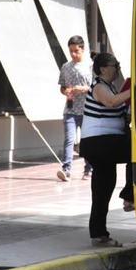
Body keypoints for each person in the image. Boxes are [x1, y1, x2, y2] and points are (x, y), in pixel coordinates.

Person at [79, 53, 134, 247]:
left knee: (103, 189)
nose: (117, 68)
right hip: (99, 142)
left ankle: (99, 233)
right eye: (114, 65)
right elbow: (112, 102)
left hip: (104, 143)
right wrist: (135, 87)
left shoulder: (110, 87)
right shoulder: (100, 87)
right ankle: (129, 196)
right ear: (102, 69)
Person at [56, 35, 94, 181]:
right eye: (71, 51)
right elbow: (62, 86)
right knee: (69, 139)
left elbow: (95, 88)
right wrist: (65, 91)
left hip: (87, 110)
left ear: (82, 49)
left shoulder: (90, 66)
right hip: (70, 109)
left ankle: (88, 168)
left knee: (86, 141)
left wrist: (83, 89)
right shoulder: (66, 67)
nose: (73, 54)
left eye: (76, 51)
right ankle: (66, 169)